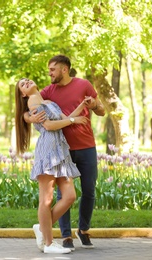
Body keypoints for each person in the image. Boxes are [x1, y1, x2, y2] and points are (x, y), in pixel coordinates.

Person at [24, 54, 105, 251]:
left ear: (64, 69)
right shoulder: (48, 91)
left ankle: (82, 229)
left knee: (88, 191)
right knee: (62, 195)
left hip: (85, 145)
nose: (49, 73)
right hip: (61, 150)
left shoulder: (83, 84)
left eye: (52, 69)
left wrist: (92, 104)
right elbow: (29, 108)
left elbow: (101, 110)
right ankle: (65, 235)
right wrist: (29, 118)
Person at [14, 78, 88, 254]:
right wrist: (73, 121)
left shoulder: (48, 102)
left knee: (69, 196)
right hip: (48, 150)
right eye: (22, 85)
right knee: (46, 200)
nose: (26, 82)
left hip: (61, 150)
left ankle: (41, 228)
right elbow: (48, 125)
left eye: (26, 80)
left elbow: (65, 117)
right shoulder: (32, 101)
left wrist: (83, 105)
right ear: (23, 94)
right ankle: (48, 243)